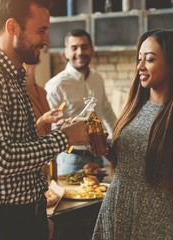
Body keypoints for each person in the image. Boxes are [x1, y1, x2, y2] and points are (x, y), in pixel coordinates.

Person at [0, 0, 89, 239]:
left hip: (25, 217)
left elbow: (22, 153)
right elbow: (1, 161)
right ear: (13, 27)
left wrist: (37, 215)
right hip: (1, 225)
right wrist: (64, 138)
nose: (46, 41)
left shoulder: (13, 76)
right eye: (40, 30)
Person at [92, 29, 173, 240]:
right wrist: (104, 148)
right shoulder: (135, 104)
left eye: (149, 59)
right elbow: (130, 160)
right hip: (115, 206)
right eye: (139, 59)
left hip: (155, 216)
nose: (140, 67)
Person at [45, 29, 117, 175]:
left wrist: (119, 135)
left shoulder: (98, 79)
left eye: (84, 47)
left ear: (92, 49)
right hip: (71, 159)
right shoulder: (55, 85)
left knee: (100, 197)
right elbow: (48, 128)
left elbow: (106, 111)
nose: (80, 52)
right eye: (74, 48)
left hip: (98, 156)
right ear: (66, 52)